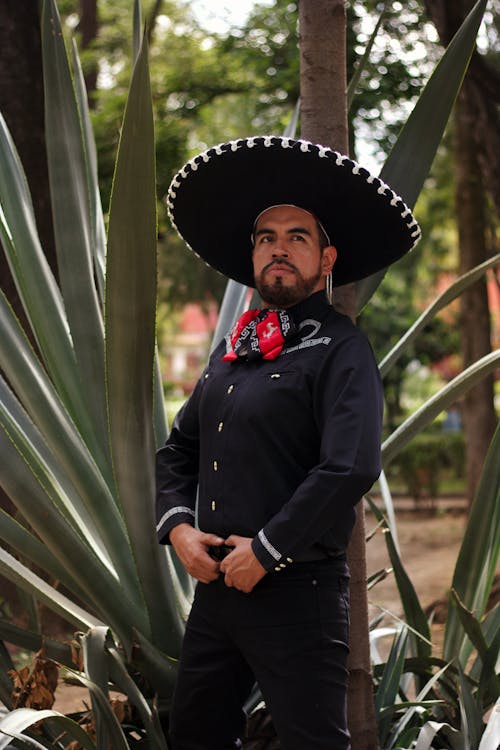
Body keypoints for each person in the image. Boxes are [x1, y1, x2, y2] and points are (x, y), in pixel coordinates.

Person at [156, 136, 420, 750]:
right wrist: (179, 529)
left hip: (297, 594)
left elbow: (350, 465)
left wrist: (269, 549)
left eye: (296, 237)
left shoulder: (342, 347)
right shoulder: (232, 350)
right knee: (193, 736)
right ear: (252, 256)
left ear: (326, 260)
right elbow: (178, 450)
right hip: (216, 589)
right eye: (266, 238)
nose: (279, 249)